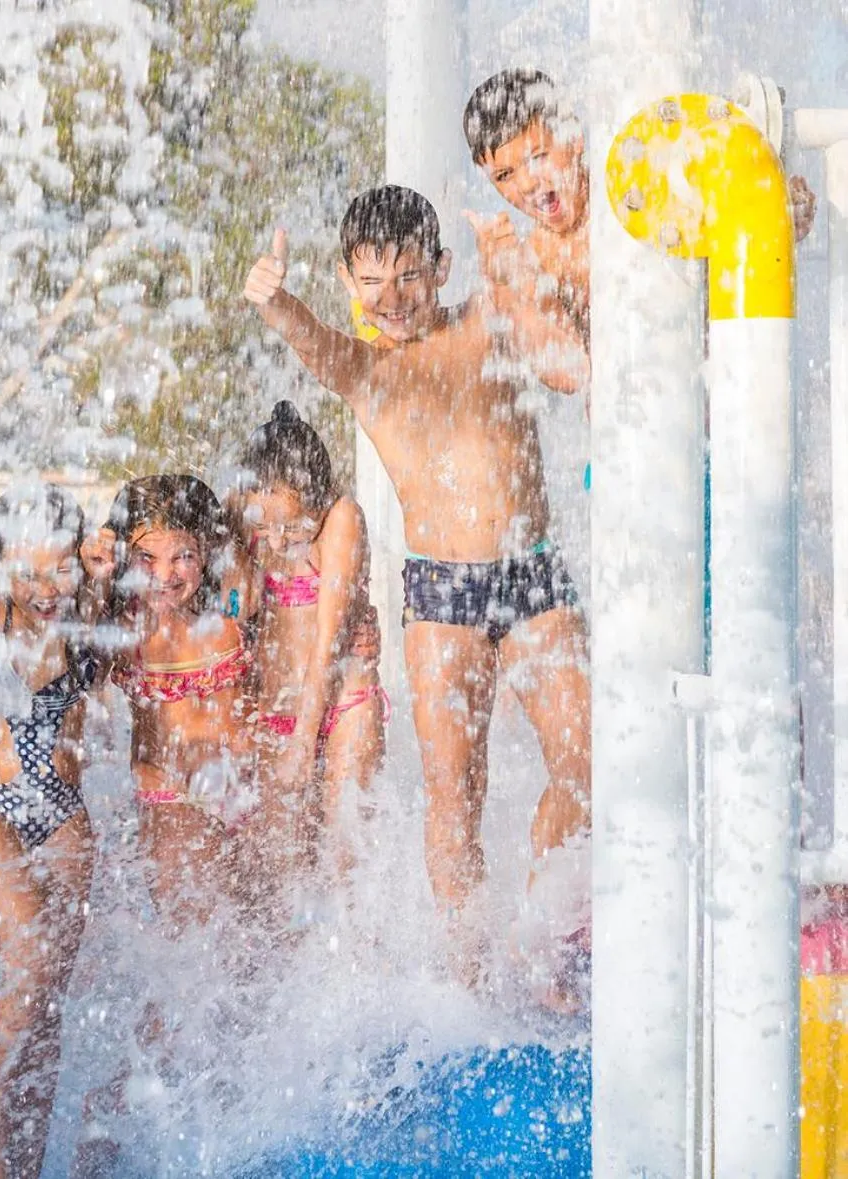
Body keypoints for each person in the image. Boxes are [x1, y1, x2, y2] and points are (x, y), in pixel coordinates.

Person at [241, 187, 591, 994]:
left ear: (439, 270)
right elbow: (312, 341)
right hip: (443, 599)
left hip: (532, 574)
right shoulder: (366, 369)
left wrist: (510, 256)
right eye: (371, 283)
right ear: (346, 281)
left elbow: (564, 351)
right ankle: (469, 982)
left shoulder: (485, 318)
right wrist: (276, 301)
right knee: (454, 793)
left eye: (409, 277)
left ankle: (541, 928)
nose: (391, 300)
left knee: (586, 766)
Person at [74, 474, 266, 1177]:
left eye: (180, 556)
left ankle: (224, 1115)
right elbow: (78, 654)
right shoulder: (128, 630)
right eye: (146, 559)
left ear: (206, 550)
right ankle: (111, 1105)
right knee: (197, 968)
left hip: (242, 806)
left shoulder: (236, 608)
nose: (165, 575)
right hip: (172, 810)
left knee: (245, 968)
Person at [460, 66, 817, 396]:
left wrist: (774, 215)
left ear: (573, 134)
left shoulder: (642, 190)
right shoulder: (537, 259)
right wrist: (509, 288)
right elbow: (571, 375)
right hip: (620, 451)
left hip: (719, 417)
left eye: (537, 157)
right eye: (504, 176)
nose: (526, 183)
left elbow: (738, 233)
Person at [0, 484, 100, 1179]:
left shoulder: (94, 613)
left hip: (60, 811)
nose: (47, 588)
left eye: (61, 568)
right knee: (31, 961)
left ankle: (26, 1165)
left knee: (48, 1001)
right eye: (30, 571)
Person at [225, 401, 387, 897]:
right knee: (284, 876)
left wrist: (302, 742)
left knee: (344, 863)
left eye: (294, 528)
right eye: (265, 527)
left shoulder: (341, 518)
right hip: (276, 712)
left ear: (319, 496)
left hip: (343, 708)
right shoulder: (244, 514)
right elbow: (232, 606)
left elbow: (327, 643)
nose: (277, 539)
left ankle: (357, 970)